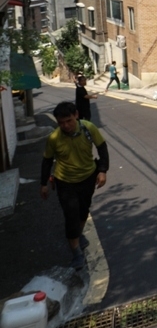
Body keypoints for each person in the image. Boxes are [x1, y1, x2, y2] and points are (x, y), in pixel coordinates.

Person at [41, 101, 109, 270]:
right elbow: (47, 161)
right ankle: (77, 253)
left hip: (87, 178)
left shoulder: (88, 128)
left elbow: (102, 148)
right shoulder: (54, 138)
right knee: (71, 217)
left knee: (83, 211)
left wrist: (102, 170)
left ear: (76, 115)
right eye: (61, 123)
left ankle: (77, 235)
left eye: (69, 121)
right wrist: (43, 184)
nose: (66, 126)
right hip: (65, 182)